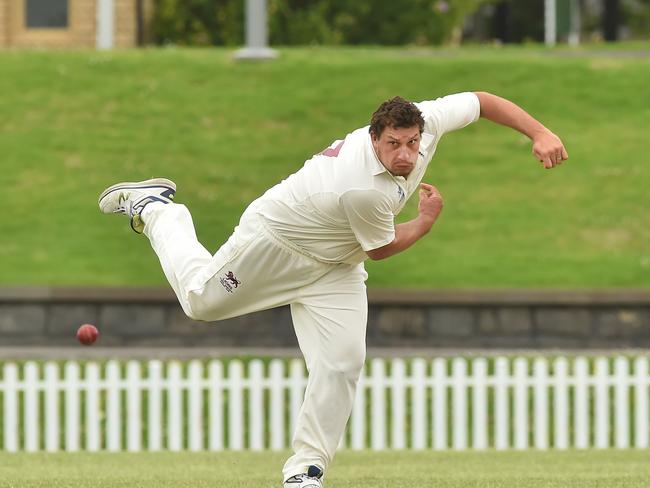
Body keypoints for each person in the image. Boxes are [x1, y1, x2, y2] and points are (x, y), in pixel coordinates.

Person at [98, 91, 568, 487]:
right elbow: (382, 248)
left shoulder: (428, 124)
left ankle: (305, 470)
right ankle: (158, 209)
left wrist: (540, 132)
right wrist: (424, 223)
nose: (405, 155)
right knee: (200, 302)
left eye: (411, 143)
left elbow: (482, 101)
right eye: (393, 145)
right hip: (278, 243)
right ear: (373, 140)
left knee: (343, 362)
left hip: (338, 263)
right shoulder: (360, 186)